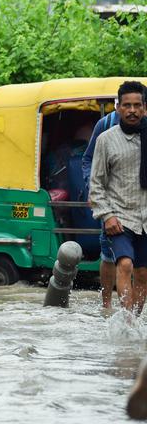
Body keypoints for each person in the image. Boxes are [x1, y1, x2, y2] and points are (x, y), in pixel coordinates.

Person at [88, 80, 147, 312]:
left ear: (144, 107)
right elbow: (96, 183)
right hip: (119, 218)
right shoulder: (106, 140)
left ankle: (136, 320)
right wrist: (107, 215)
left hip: (145, 217)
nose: (132, 110)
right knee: (125, 264)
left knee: (143, 274)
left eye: (136, 105)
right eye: (127, 105)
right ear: (118, 108)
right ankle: (126, 321)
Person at [83, 108, 122, 308]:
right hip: (109, 199)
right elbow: (88, 159)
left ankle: (132, 311)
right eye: (125, 105)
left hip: (138, 199)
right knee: (109, 253)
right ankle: (107, 305)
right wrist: (93, 188)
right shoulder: (105, 125)